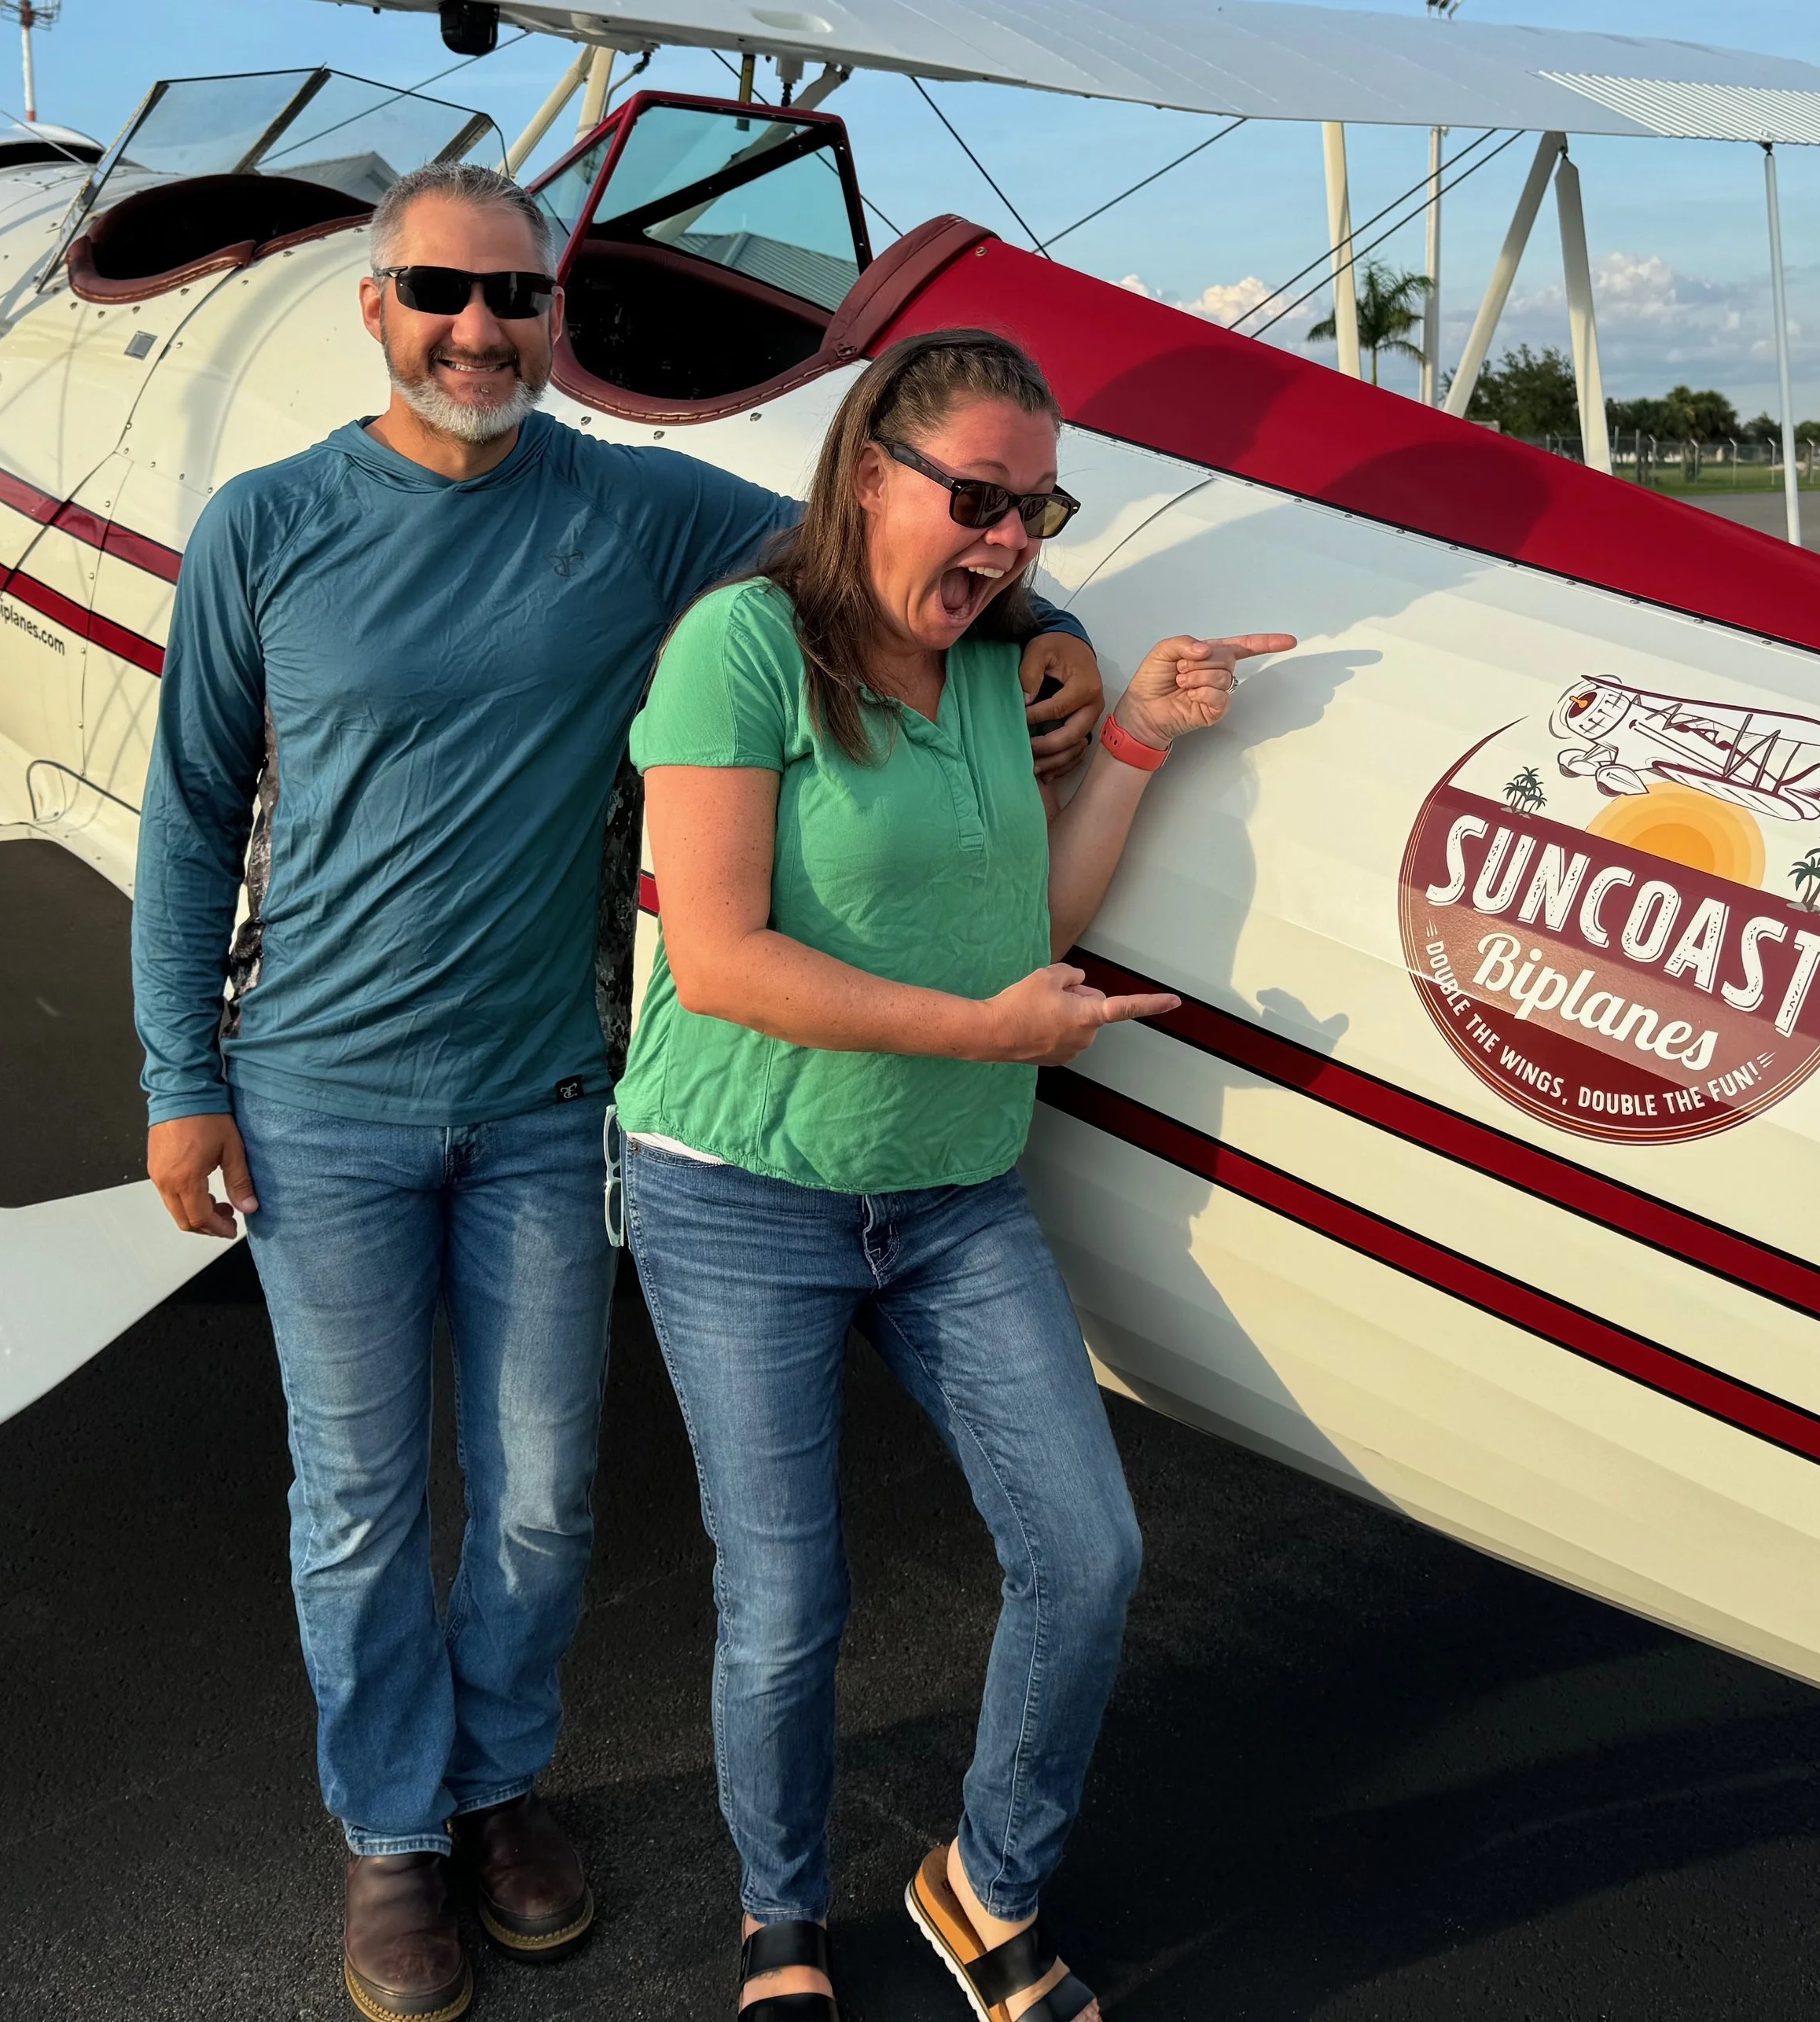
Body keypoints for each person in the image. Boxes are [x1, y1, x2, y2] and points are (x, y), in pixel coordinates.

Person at [131, 165, 1103, 2022]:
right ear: (376, 305)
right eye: (442, 291)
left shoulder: (638, 510)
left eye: (517, 298)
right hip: (316, 1090)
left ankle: (497, 1784)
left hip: (542, 1095)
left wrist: (1041, 625)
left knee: (541, 1497)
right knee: (357, 1495)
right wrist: (184, 1080)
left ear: (553, 322)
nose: (479, 330)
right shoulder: (264, 525)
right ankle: (391, 1831)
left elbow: (877, 538)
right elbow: (191, 821)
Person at [616, 328, 1292, 2022]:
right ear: (868, 475)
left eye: (1037, 510)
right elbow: (717, 959)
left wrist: (1136, 735)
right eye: (977, 498)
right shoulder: (740, 648)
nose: (1005, 542)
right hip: (740, 1188)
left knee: (1087, 1552)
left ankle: (986, 1881)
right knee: (785, 1599)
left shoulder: (999, 669)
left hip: (950, 1191)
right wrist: (988, 1034)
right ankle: (779, 1920)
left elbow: (1028, 922)